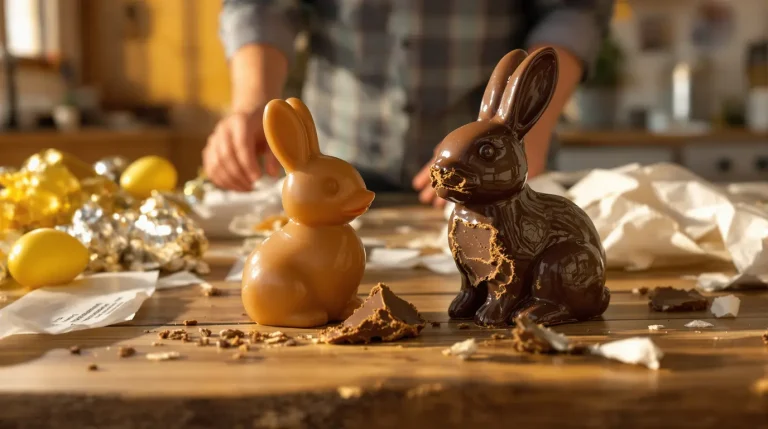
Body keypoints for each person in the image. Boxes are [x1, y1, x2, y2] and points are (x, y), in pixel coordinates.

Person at [204, 0, 614, 206]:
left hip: (497, 177)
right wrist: (254, 101)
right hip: (337, 161)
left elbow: (573, 10)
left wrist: (523, 129)